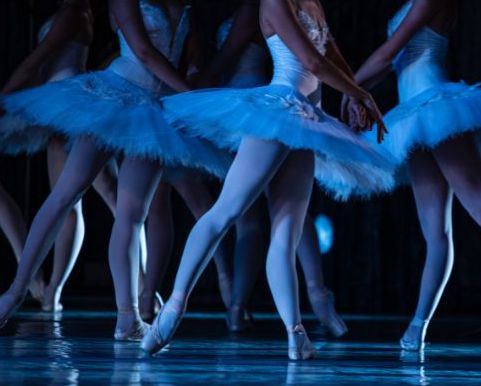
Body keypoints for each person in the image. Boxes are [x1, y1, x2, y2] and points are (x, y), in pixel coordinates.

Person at [142, 0, 393, 360]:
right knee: (226, 211)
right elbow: (313, 63)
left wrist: (354, 92)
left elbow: (331, 54)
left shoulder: (315, 3)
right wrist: (361, 94)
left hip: (307, 118)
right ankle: (172, 310)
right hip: (279, 109)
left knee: (288, 230)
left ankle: (296, 335)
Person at [0, 0, 228, 341]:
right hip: (114, 96)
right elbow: (144, 52)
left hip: (153, 109)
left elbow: (187, 53)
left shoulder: (186, 6)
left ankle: (128, 317)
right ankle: (14, 293)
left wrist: (193, 79)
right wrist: (192, 96)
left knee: (133, 214)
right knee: (67, 192)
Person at [344, 0, 481, 356]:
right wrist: (356, 94)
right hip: (412, 115)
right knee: (435, 232)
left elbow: (388, 52)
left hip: (437, 106)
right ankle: (418, 325)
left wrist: (350, 89)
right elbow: (390, 62)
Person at [0, 0, 120, 312]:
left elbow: (33, 63)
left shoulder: (74, 12)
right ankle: (51, 289)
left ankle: (140, 285)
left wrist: (5, 98)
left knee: (103, 199)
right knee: (78, 201)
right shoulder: (73, 12)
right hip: (60, 104)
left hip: (68, 105)